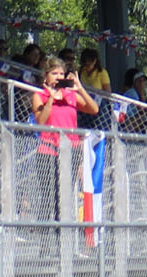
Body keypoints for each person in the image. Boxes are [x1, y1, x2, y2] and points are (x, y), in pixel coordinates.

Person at [31, 56, 99, 222]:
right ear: (46, 75)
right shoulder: (40, 95)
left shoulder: (70, 95)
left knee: (65, 196)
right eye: (54, 73)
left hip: (71, 151)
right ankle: (46, 242)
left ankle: (62, 238)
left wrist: (79, 88)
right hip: (48, 150)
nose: (59, 77)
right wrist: (52, 99)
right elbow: (41, 120)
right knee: (49, 198)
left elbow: (94, 109)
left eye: (61, 73)